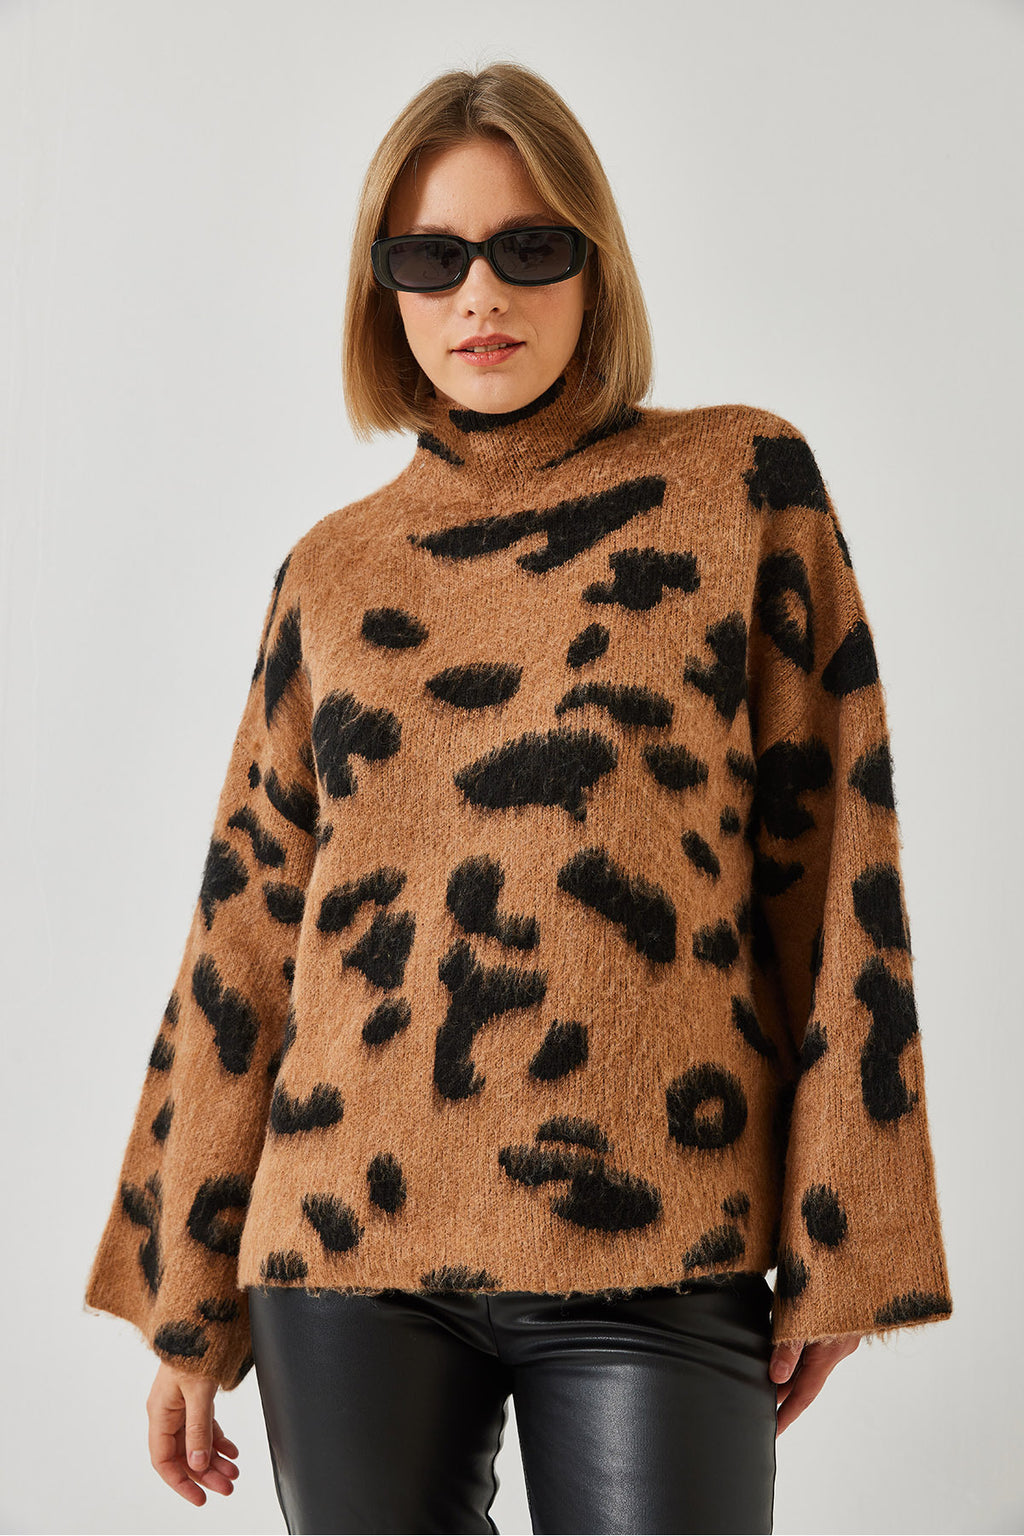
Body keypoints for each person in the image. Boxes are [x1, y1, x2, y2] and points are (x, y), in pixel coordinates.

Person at [83, 61, 953, 1535]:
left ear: (594, 264)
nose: (479, 293)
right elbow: (245, 935)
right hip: (343, 1258)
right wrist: (186, 1299)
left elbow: (836, 871)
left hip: (658, 1237)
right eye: (430, 258)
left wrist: (845, 1238)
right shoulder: (334, 569)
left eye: (527, 247)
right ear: (384, 292)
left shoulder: (745, 486)